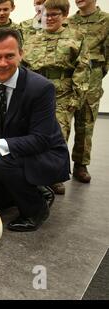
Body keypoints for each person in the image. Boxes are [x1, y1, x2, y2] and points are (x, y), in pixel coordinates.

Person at [0, 28, 70, 232]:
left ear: (21, 54)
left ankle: (36, 209)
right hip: (9, 158)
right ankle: (30, 190)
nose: (3, 63)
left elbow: (41, 139)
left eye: (10, 56)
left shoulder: (41, 88)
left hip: (44, 155)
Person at [22, 0, 90, 195]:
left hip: (62, 94)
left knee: (58, 135)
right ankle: (33, 174)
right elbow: (24, 68)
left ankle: (53, 176)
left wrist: (76, 99)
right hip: (35, 95)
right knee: (32, 133)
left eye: (54, 14)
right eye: (46, 14)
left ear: (65, 15)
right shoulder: (31, 39)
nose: (49, 18)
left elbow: (83, 70)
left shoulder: (76, 37)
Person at [68, 0, 108, 184]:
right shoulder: (69, 20)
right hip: (71, 74)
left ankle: (80, 164)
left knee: (86, 120)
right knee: (62, 121)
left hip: (93, 73)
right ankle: (57, 165)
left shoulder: (105, 20)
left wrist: (97, 73)